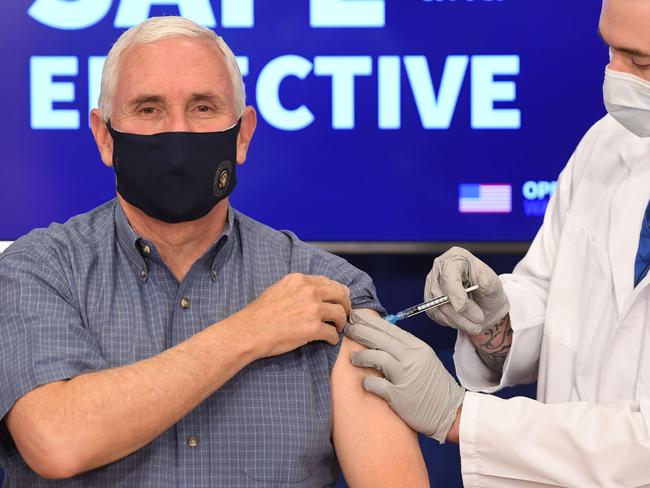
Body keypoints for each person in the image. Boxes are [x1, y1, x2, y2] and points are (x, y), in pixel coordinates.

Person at [0, 16, 429, 486]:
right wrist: (251, 330)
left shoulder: (325, 290)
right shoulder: (37, 271)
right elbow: (56, 441)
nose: (178, 134)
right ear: (105, 136)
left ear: (242, 135)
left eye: (203, 107)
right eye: (149, 109)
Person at [344, 0, 650, 486]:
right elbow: (558, 296)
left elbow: (642, 448)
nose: (615, 76)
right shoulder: (612, 143)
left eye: (642, 63)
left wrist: (459, 415)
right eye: (609, 49)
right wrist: (497, 322)